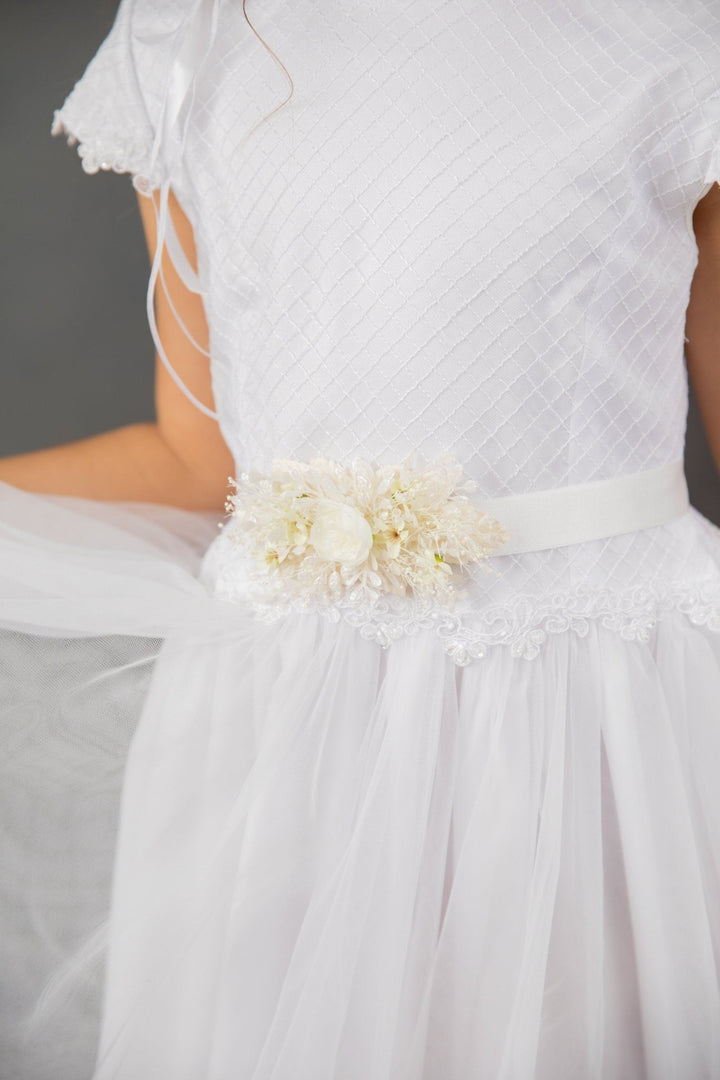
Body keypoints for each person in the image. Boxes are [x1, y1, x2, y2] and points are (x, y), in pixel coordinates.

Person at [2, 1, 720, 1077]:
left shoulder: (676, 38)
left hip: (599, 716)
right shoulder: (195, 37)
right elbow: (200, 460)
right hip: (291, 730)